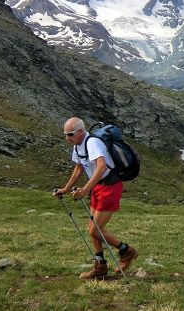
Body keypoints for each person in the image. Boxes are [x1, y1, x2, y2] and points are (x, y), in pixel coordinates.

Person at [54, 117, 138, 279]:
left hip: (110, 186)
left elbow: (102, 166)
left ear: (80, 131)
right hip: (98, 187)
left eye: (70, 134)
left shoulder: (92, 142)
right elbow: (79, 168)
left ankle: (126, 251)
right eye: (66, 134)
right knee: (93, 229)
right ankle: (100, 266)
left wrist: (86, 189)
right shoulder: (78, 146)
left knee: (94, 229)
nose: (67, 138)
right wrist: (65, 189)